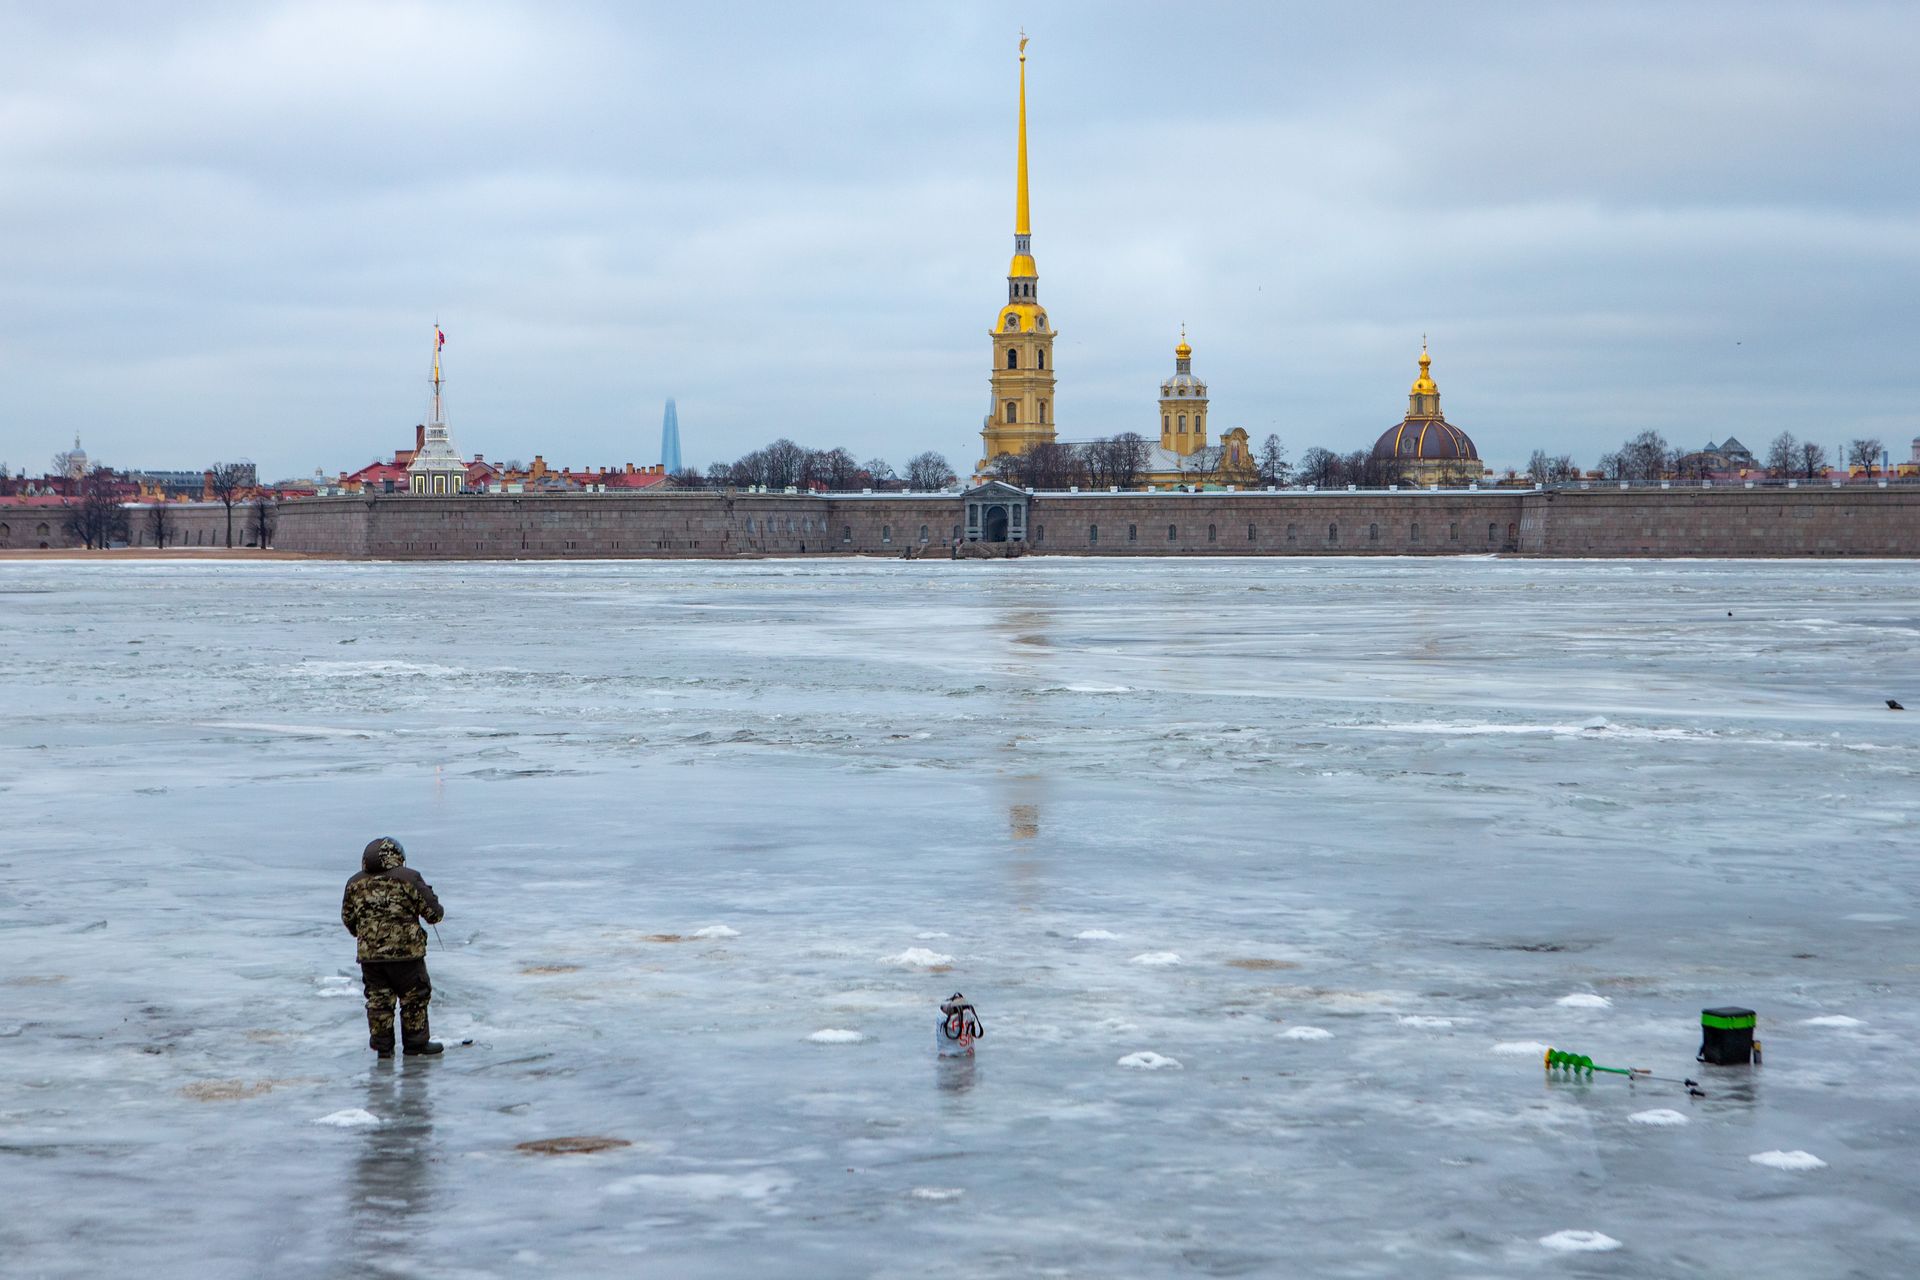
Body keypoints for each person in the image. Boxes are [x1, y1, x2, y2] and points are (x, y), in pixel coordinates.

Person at [341, 836, 445, 1058]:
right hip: (407, 955)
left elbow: (348, 919)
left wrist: (366, 938)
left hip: (370, 957)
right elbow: (434, 914)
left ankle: (383, 1049)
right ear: (397, 856)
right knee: (414, 997)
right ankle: (416, 1044)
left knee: (379, 1001)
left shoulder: (354, 882)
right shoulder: (409, 878)